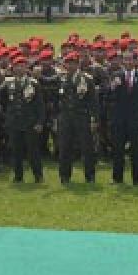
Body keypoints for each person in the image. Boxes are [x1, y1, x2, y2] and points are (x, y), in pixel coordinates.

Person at [55, 54, 98, 183]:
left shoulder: (86, 79)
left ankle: (90, 176)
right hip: (66, 117)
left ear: (78, 64)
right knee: (64, 148)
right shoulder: (61, 78)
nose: (70, 66)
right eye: (68, 63)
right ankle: (64, 176)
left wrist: (94, 118)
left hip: (82, 116)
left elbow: (93, 101)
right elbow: (58, 99)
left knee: (87, 148)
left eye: (73, 63)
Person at [110, 52, 138, 185]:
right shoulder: (116, 76)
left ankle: (137, 179)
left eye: (130, 60)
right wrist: (113, 87)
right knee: (118, 150)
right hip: (119, 119)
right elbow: (108, 96)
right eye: (125, 60)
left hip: (136, 120)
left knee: (136, 151)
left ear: (135, 61)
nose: (127, 62)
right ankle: (117, 178)